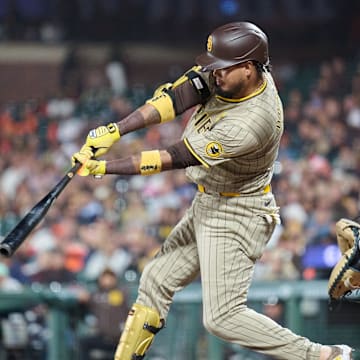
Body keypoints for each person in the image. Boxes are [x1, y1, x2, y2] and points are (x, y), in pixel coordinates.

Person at [72, 22, 353, 360]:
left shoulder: (255, 119)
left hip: (238, 213)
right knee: (156, 279)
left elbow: (176, 156)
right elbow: (179, 97)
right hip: (209, 200)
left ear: (249, 68)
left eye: (221, 68)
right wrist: (117, 130)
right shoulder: (234, 73)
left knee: (222, 318)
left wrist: (105, 166)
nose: (213, 74)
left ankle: (324, 356)